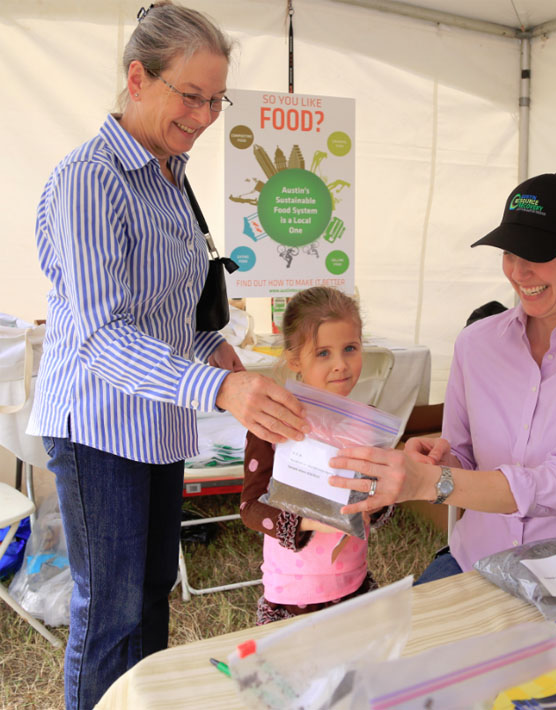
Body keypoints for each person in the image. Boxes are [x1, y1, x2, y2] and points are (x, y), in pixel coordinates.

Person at [27, 4, 306, 708]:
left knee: (151, 596)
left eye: (216, 100)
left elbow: (168, 314)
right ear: (136, 78)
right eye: (191, 95)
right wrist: (216, 393)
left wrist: (219, 354)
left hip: (155, 422)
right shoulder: (90, 180)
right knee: (112, 614)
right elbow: (99, 335)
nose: (206, 115)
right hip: (98, 427)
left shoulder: (168, 174)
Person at [327, 172, 556, 582]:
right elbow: (463, 455)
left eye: (537, 253)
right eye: (509, 253)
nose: (519, 272)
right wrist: (439, 460)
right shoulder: (476, 343)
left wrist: (433, 482)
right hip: (478, 560)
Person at [240, 287, 392, 623]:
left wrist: (377, 503)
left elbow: (381, 494)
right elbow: (250, 509)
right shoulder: (274, 422)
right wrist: (312, 522)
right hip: (294, 595)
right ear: (295, 360)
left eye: (350, 348)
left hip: (354, 583)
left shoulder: (369, 422)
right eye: (323, 353)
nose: (340, 365)